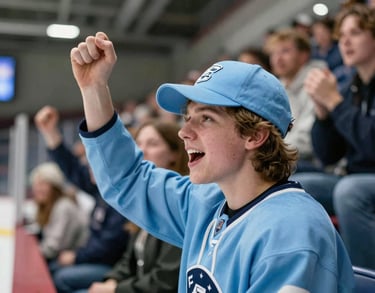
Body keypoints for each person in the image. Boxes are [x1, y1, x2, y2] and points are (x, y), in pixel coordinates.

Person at [70, 32, 354, 292]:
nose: (184, 132)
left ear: (255, 135)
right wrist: (94, 88)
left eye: (206, 118)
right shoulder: (206, 201)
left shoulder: (292, 234)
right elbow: (127, 179)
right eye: (187, 117)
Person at [295, 3, 375, 270]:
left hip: (359, 183)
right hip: (353, 176)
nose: (346, 41)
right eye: (342, 36)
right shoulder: (354, 87)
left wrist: (335, 103)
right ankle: (305, 273)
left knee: (349, 192)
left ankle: (365, 281)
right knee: (296, 185)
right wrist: (323, 114)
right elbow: (329, 154)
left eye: (356, 33)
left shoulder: (346, 93)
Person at [34, 106, 131, 292]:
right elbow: (72, 169)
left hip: (111, 266)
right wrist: (50, 133)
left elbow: (107, 247)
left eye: (93, 164)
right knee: (54, 269)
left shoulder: (122, 200)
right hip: (96, 258)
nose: (88, 168)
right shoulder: (101, 190)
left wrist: (77, 257)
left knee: (60, 277)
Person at [86, 119, 187, 293]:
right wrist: (113, 279)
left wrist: (115, 289)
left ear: (175, 154)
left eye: (152, 144)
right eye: (138, 143)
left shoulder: (181, 204)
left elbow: (165, 280)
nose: (141, 150)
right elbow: (129, 259)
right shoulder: (145, 200)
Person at [264, 28, 327, 172]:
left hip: (316, 162)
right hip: (289, 157)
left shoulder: (317, 81)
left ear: (304, 56)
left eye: (285, 51)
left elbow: (308, 140)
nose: (278, 58)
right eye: (274, 53)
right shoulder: (276, 90)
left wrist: (271, 154)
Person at [29, 162, 87, 262]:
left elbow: (54, 248)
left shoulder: (63, 207)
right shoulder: (50, 206)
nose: (38, 188)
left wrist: (31, 253)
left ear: (54, 186)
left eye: (43, 184)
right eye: (36, 184)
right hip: (63, 256)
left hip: (75, 258)